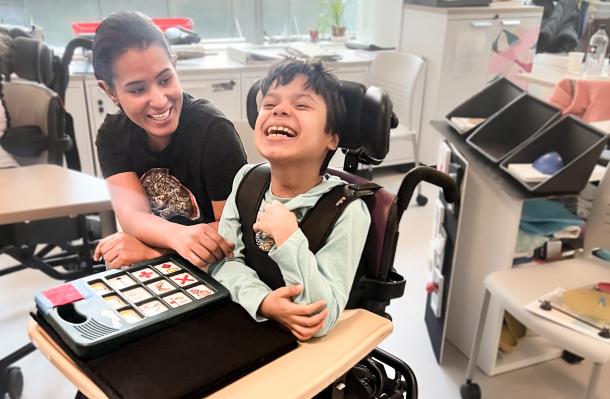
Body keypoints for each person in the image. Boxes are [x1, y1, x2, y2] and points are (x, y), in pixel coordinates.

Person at [209, 59, 371, 340]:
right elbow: (223, 263)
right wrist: (264, 302)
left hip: (303, 352)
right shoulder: (246, 181)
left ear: (332, 138)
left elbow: (320, 317)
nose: (280, 110)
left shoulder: (347, 211)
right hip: (245, 323)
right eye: (269, 104)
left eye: (301, 105)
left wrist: (288, 239)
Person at [92, 11, 246, 269]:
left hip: (222, 270)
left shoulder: (213, 131)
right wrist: (178, 237)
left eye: (165, 79)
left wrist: (152, 252)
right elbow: (133, 216)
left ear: (174, 65)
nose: (160, 100)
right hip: (172, 265)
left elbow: (233, 232)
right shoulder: (112, 136)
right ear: (109, 91)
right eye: (138, 89)